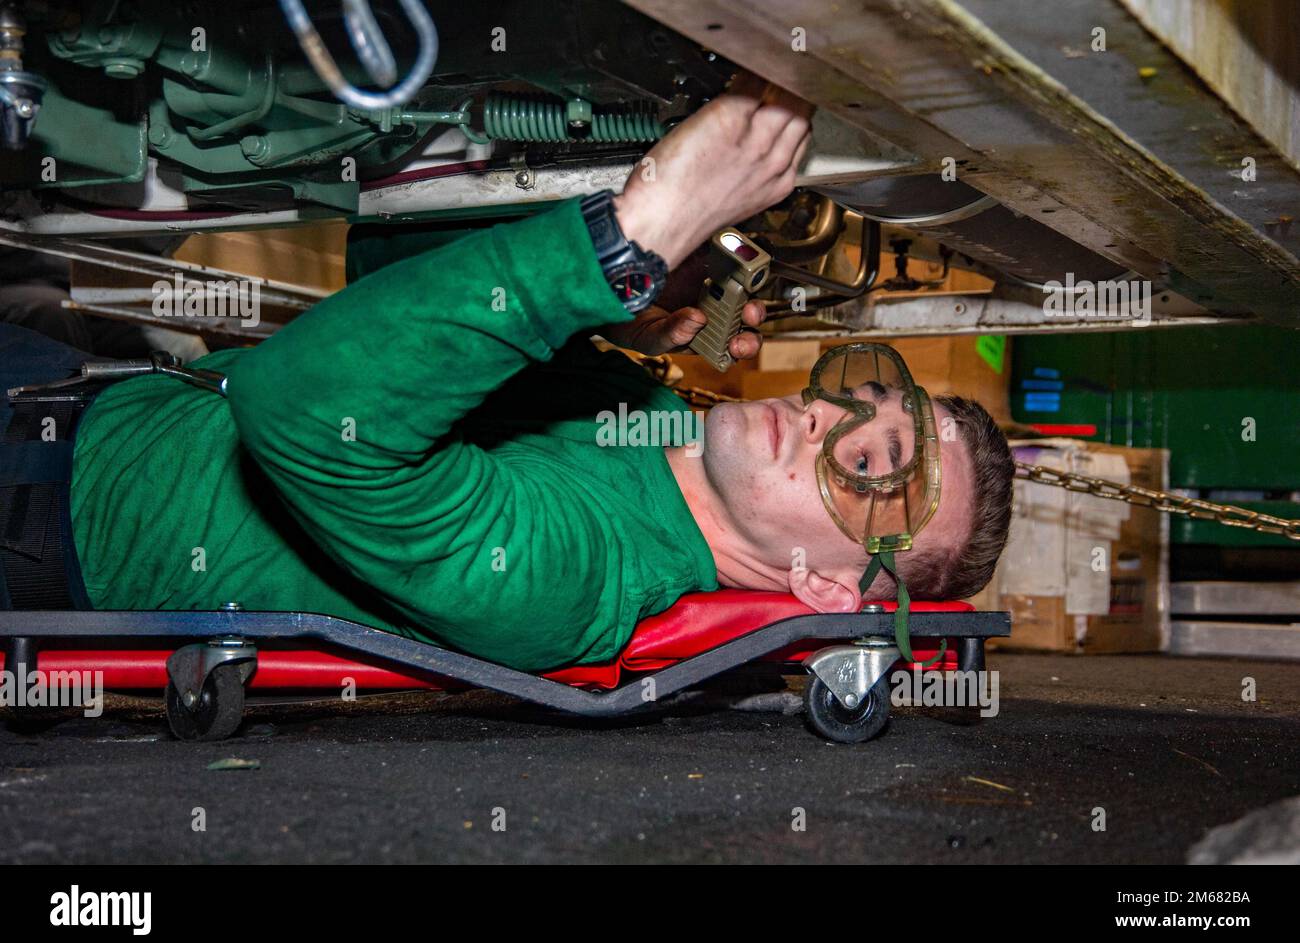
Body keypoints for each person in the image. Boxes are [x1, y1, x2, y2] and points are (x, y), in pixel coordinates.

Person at [4, 77, 1014, 672]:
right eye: (866, 397)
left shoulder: (571, 581)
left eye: (875, 466)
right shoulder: (651, 422)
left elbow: (303, 415)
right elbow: (382, 272)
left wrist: (629, 243)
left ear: (829, 588)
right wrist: (620, 309)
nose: (828, 420)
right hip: (86, 397)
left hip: (42, 509)